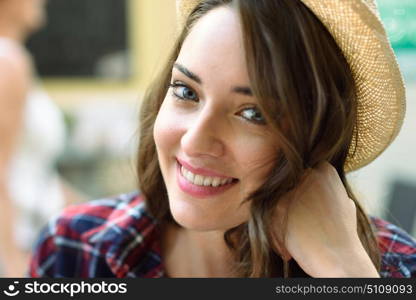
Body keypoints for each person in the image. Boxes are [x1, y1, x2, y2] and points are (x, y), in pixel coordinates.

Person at [29, 0, 416, 278]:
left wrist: (343, 271)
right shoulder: (74, 250)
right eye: (186, 92)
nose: (195, 142)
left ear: (318, 134)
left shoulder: (394, 267)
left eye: (253, 114)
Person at [0, 0, 83, 277]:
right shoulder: (7, 62)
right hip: (23, 243)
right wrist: (11, 264)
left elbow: (34, 172)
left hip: (39, 236)